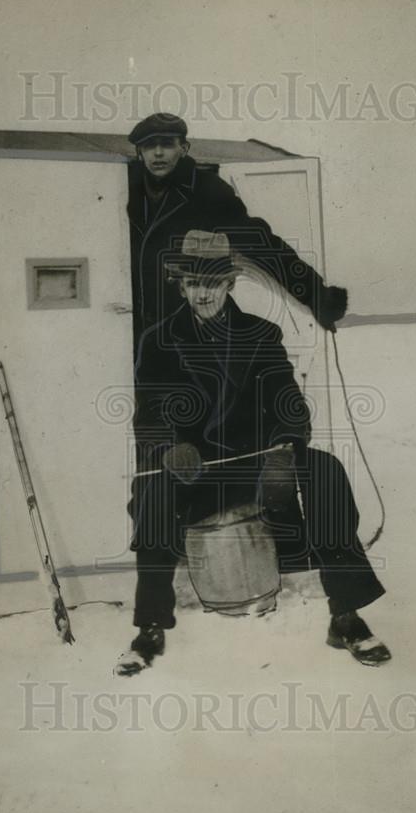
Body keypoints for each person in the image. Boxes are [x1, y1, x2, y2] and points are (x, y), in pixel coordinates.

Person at [115, 230, 390, 677]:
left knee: (325, 469)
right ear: (181, 286)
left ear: (229, 285)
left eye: (213, 283)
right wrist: (170, 447)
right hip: (193, 468)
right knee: (151, 490)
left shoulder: (261, 334)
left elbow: (288, 400)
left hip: (257, 464)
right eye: (193, 283)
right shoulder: (157, 340)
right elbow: (149, 413)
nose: (203, 293)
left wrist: (285, 448)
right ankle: (150, 626)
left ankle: (345, 615)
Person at [126, 113, 349, 345]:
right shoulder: (122, 187)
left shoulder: (206, 190)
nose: (158, 152)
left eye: (167, 144)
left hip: (186, 317)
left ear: (184, 148)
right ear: (139, 152)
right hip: (131, 317)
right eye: (150, 145)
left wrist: (317, 296)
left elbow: (260, 243)